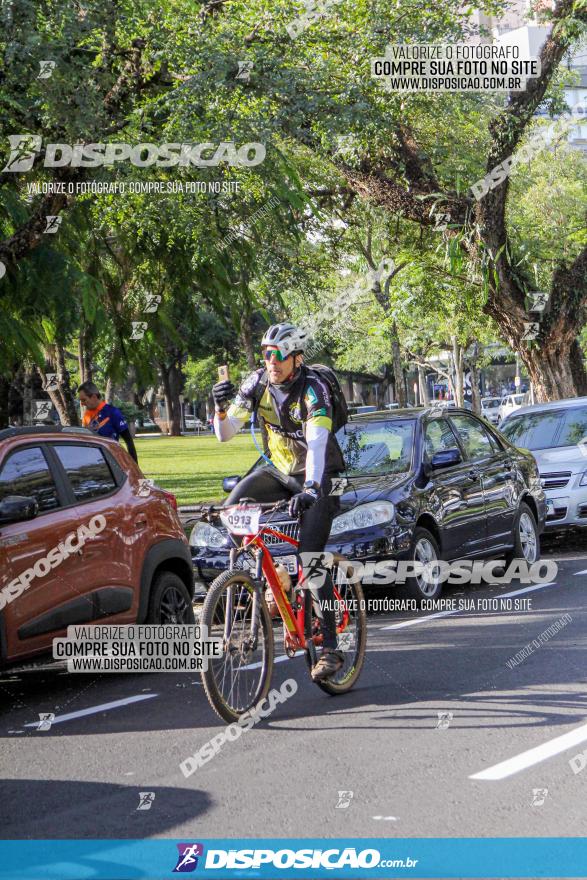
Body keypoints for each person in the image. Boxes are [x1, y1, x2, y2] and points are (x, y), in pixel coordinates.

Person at [212, 322, 346, 682]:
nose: (271, 361)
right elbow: (225, 435)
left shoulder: (313, 390)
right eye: (266, 354)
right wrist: (220, 407)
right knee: (232, 506)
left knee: (310, 555)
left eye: (278, 355)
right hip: (280, 471)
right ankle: (273, 581)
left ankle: (331, 647)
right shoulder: (257, 384)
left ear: (296, 358)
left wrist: (313, 490)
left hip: (322, 476)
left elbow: (317, 446)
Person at [78, 381, 138, 463]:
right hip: (92, 464)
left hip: (111, 463)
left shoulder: (112, 412)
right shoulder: (86, 416)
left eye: (84, 400)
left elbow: (128, 440)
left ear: (94, 397)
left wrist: (134, 464)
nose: (82, 404)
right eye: (80, 401)